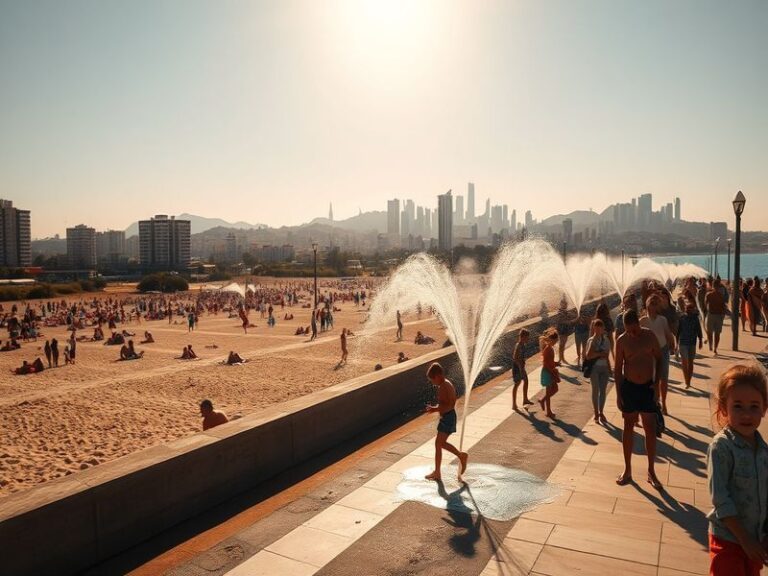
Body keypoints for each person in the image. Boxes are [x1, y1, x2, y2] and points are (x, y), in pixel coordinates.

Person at [707, 364, 768, 574]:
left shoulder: (763, 451)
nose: (747, 414)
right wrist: (746, 541)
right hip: (728, 540)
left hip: (755, 541)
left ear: (764, 408)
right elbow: (721, 499)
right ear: (724, 408)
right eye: (738, 406)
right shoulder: (721, 447)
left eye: (754, 406)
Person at [614, 309, 663, 489]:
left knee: (650, 428)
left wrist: (657, 383)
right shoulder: (621, 341)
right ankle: (627, 470)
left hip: (647, 388)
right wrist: (618, 395)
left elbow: (660, 359)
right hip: (629, 388)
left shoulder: (649, 336)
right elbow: (617, 369)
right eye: (628, 330)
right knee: (628, 426)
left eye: (634, 330)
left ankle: (651, 471)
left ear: (638, 324)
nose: (632, 334)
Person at [424, 362, 468, 481]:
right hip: (447, 417)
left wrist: (436, 409)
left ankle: (460, 456)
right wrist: (436, 408)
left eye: (433, 380)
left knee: (439, 444)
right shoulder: (445, 384)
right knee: (439, 444)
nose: (433, 383)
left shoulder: (444, 386)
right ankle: (438, 471)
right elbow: (446, 403)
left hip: (448, 417)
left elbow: (449, 404)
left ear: (438, 375)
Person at [640, 295, 676, 415]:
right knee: (651, 379)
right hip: (649, 353)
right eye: (652, 302)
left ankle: (664, 403)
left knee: (663, 379)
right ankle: (654, 401)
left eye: (656, 303)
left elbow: (667, 333)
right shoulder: (643, 321)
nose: (654, 304)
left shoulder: (662, 319)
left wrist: (672, 344)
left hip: (663, 350)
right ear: (647, 304)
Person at [586, 319, 611, 424]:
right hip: (594, 368)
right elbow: (588, 356)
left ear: (603, 328)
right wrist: (599, 353)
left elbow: (606, 355)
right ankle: (596, 412)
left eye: (600, 327)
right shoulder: (591, 340)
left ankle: (601, 412)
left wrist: (597, 354)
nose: (598, 329)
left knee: (603, 391)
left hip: (604, 367)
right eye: (596, 327)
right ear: (593, 328)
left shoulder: (606, 340)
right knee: (595, 391)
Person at [677, 300, 703, 388]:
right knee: (684, 362)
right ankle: (686, 381)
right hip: (683, 343)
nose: (689, 310)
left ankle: (689, 381)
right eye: (687, 308)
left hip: (692, 343)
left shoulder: (695, 318)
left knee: (690, 362)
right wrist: (676, 342)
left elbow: (699, 330)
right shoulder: (682, 318)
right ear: (685, 309)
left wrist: (700, 341)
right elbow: (678, 330)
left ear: (693, 309)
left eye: (691, 308)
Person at [538, 328, 560, 419]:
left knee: (555, 389)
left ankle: (542, 400)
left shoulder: (550, 348)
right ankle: (549, 411)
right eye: (555, 341)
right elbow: (545, 363)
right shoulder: (547, 349)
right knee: (549, 390)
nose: (556, 343)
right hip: (548, 372)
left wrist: (556, 363)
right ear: (552, 340)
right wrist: (552, 371)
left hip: (551, 370)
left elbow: (550, 361)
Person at [511, 328, 533, 411]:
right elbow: (515, 358)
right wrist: (520, 368)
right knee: (517, 384)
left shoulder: (523, 345)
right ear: (522, 337)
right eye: (527, 337)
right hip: (517, 367)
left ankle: (525, 399)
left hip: (521, 366)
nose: (528, 339)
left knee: (526, 381)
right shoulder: (518, 345)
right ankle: (514, 404)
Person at [705, 279, 727, 355]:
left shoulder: (709, 295)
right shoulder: (720, 296)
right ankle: (714, 348)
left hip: (712, 315)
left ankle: (713, 347)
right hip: (717, 315)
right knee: (715, 333)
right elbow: (723, 306)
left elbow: (705, 305)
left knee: (711, 333)